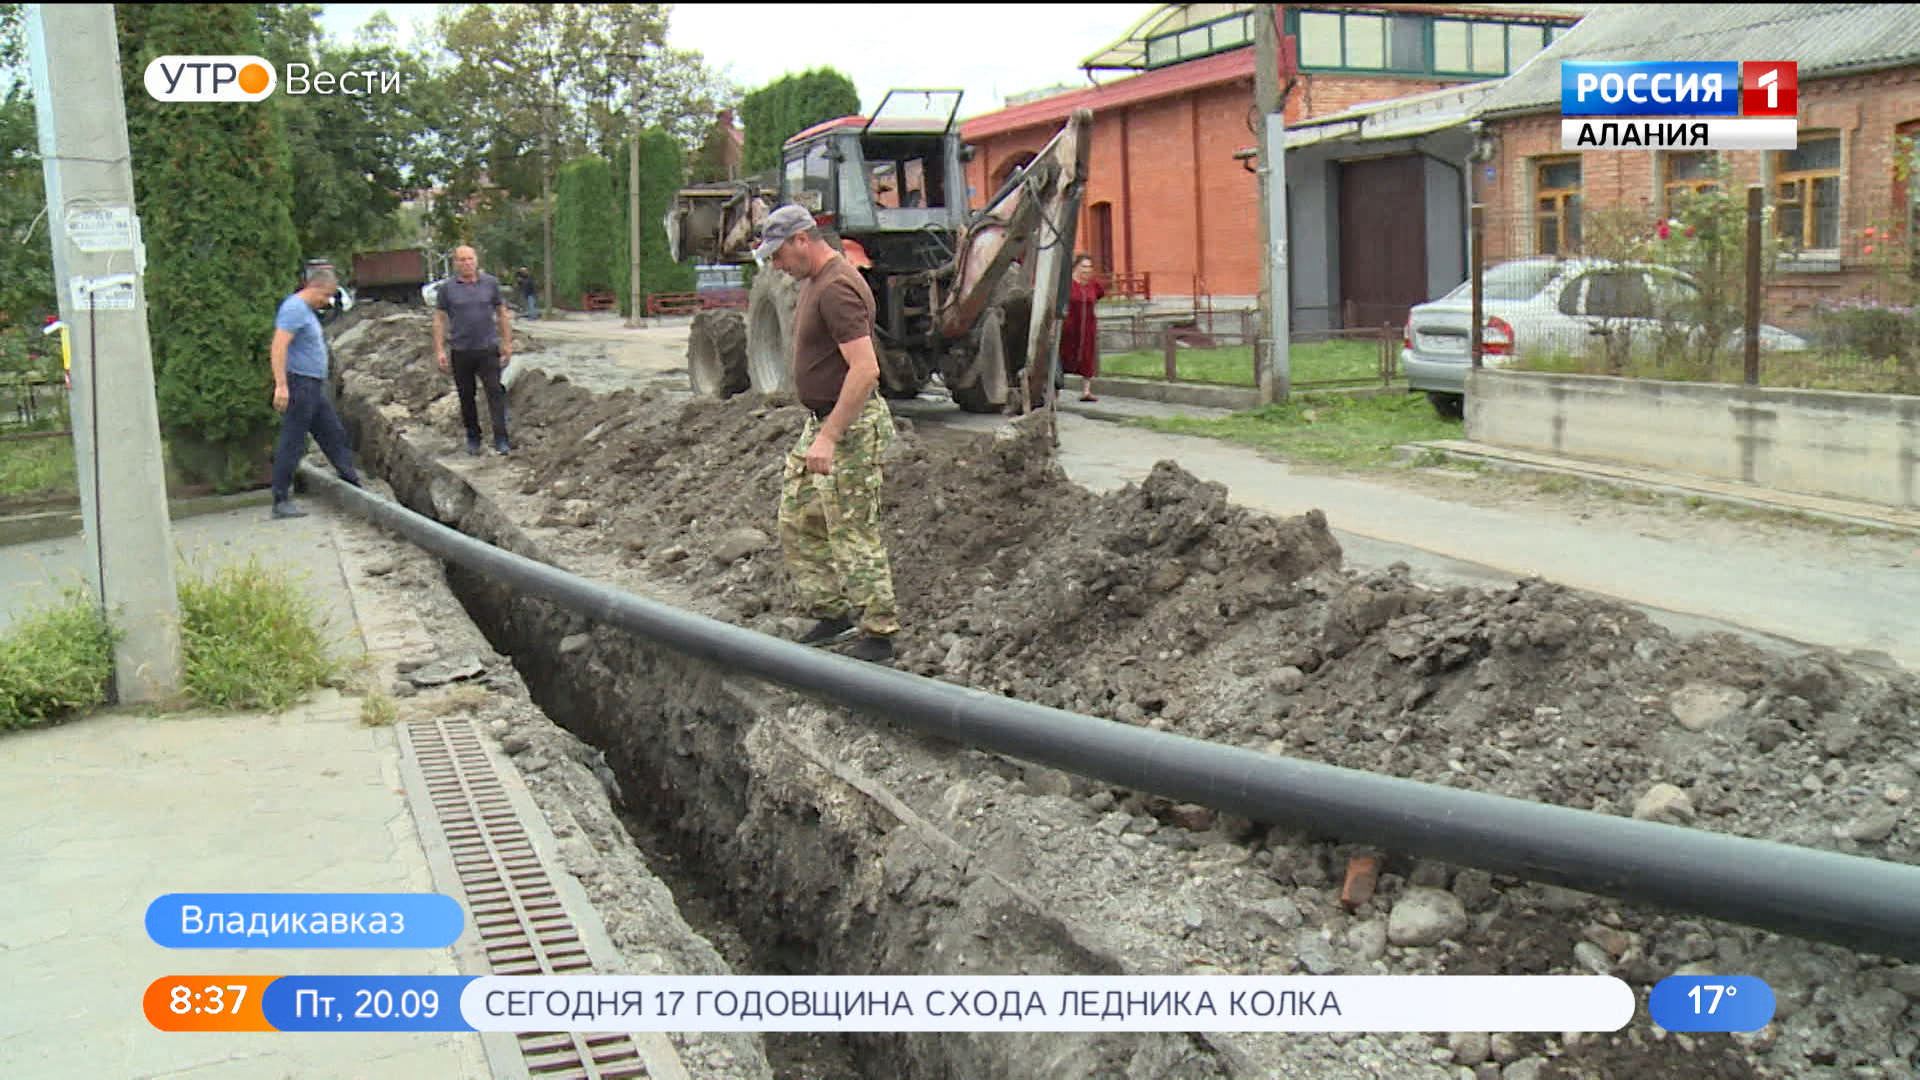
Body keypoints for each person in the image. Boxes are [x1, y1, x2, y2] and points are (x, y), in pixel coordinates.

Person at [757, 204, 899, 665]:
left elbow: (865, 370)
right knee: (797, 516)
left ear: (802, 239)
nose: (777, 265)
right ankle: (833, 612)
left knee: (851, 528)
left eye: (779, 254)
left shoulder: (838, 288)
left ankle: (879, 634)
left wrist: (831, 436)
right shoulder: (815, 281)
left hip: (850, 426)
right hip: (821, 420)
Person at [268, 267, 361, 519]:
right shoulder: (294, 309)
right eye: (327, 295)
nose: (328, 301)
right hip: (299, 384)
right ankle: (281, 499)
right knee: (293, 439)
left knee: (332, 432)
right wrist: (281, 385)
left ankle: (351, 480)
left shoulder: (306, 311)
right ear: (316, 288)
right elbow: (279, 346)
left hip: (312, 385)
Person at [433, 246, 514, 455]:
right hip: (461, 351)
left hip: (487, 349)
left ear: (476, 260)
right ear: (455, 264)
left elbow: (502, 314)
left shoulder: (490, 284)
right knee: (466, 397)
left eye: (469, 259)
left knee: (495, 393)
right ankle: (473, 437)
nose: (466, 263)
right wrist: (439, 349)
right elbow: (440, 319)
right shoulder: (447, 289)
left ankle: (501, 438)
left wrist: (507, 342)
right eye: (461, 260)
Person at [1060, 253, 1105, 402]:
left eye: (1089, 267)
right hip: (1069, 327)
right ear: (1076, 267)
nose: (1087, 270)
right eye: (1084, 266)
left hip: (1087, 327)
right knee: (1063, 355)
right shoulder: (1067, 284)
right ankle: (1055, 391)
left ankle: (1086, 391)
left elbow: (1098, 295)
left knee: (1087, 357)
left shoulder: (1094, 284)